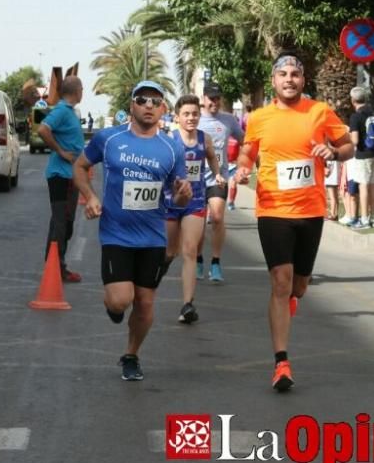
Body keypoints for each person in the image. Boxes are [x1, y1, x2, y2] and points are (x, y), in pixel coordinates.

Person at [234, 52, 354, 391]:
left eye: (295, 74)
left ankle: (290, 303)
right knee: (280, 281)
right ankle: (281, 362)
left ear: (303, 80)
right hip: (272, 209)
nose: (289, 79)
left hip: (311, 210)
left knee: (298, 285)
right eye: (283, 74)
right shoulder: (259, 118)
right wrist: (244, 166)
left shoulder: (319, 112)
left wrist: (333, 152)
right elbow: (248, 151)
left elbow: (347, 146)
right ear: (273, 81)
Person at [72, 80, 193, 382]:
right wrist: (91, 196)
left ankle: (131, 355)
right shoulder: (109, 138)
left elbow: (178, 195)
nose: (149, 106)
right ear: (132, 105)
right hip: (116, 234)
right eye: (143, 100)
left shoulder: (171, 147)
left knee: (146, 302)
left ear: (163, 108)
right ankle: (113, 306)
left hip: (152, 236)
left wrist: (183, 195)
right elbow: (79, 167)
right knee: (119, 301)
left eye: (156, 101)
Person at [164, 95, 225, 325]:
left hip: (195, 200)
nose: (191, 118)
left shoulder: (205, 138)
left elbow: (211, 158)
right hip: (171, 201)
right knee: (170, 252)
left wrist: (217, 173)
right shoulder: (169, 140)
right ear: (177, 117)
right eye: (186, 114)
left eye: (195, 114)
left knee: (189, 250)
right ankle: (155, 275)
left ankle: (187, 304)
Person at [38, 76, 85, 284]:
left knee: (63, 222)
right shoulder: (62, 111)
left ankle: (55, 264)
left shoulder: (69, 112)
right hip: (61, 175)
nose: (83, 92)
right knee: (62, 223)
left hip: (69, 175)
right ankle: (57, 268)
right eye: (82, 89)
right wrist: (61, 152)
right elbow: (42, 129)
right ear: (76, 91)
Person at [196, 84, 245, 283]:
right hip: (196, 179)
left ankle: (215, 263)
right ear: (204, 98)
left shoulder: (229, 120)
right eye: (210, 98)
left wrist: (243, 165)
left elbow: (245, 142)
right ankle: (198, 260)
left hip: (219, 177)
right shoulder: (194, 118)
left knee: (216, 218)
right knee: (198, 223)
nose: (214, 102)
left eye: (217, 98)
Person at [348, 86, 374, 229]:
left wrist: (348, 136)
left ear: (353, 100)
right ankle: (371, 218)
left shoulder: (355, 116)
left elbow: (355, 141)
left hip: (363, 155)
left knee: (363, 185)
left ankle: (364, 219)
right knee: (373, 186)